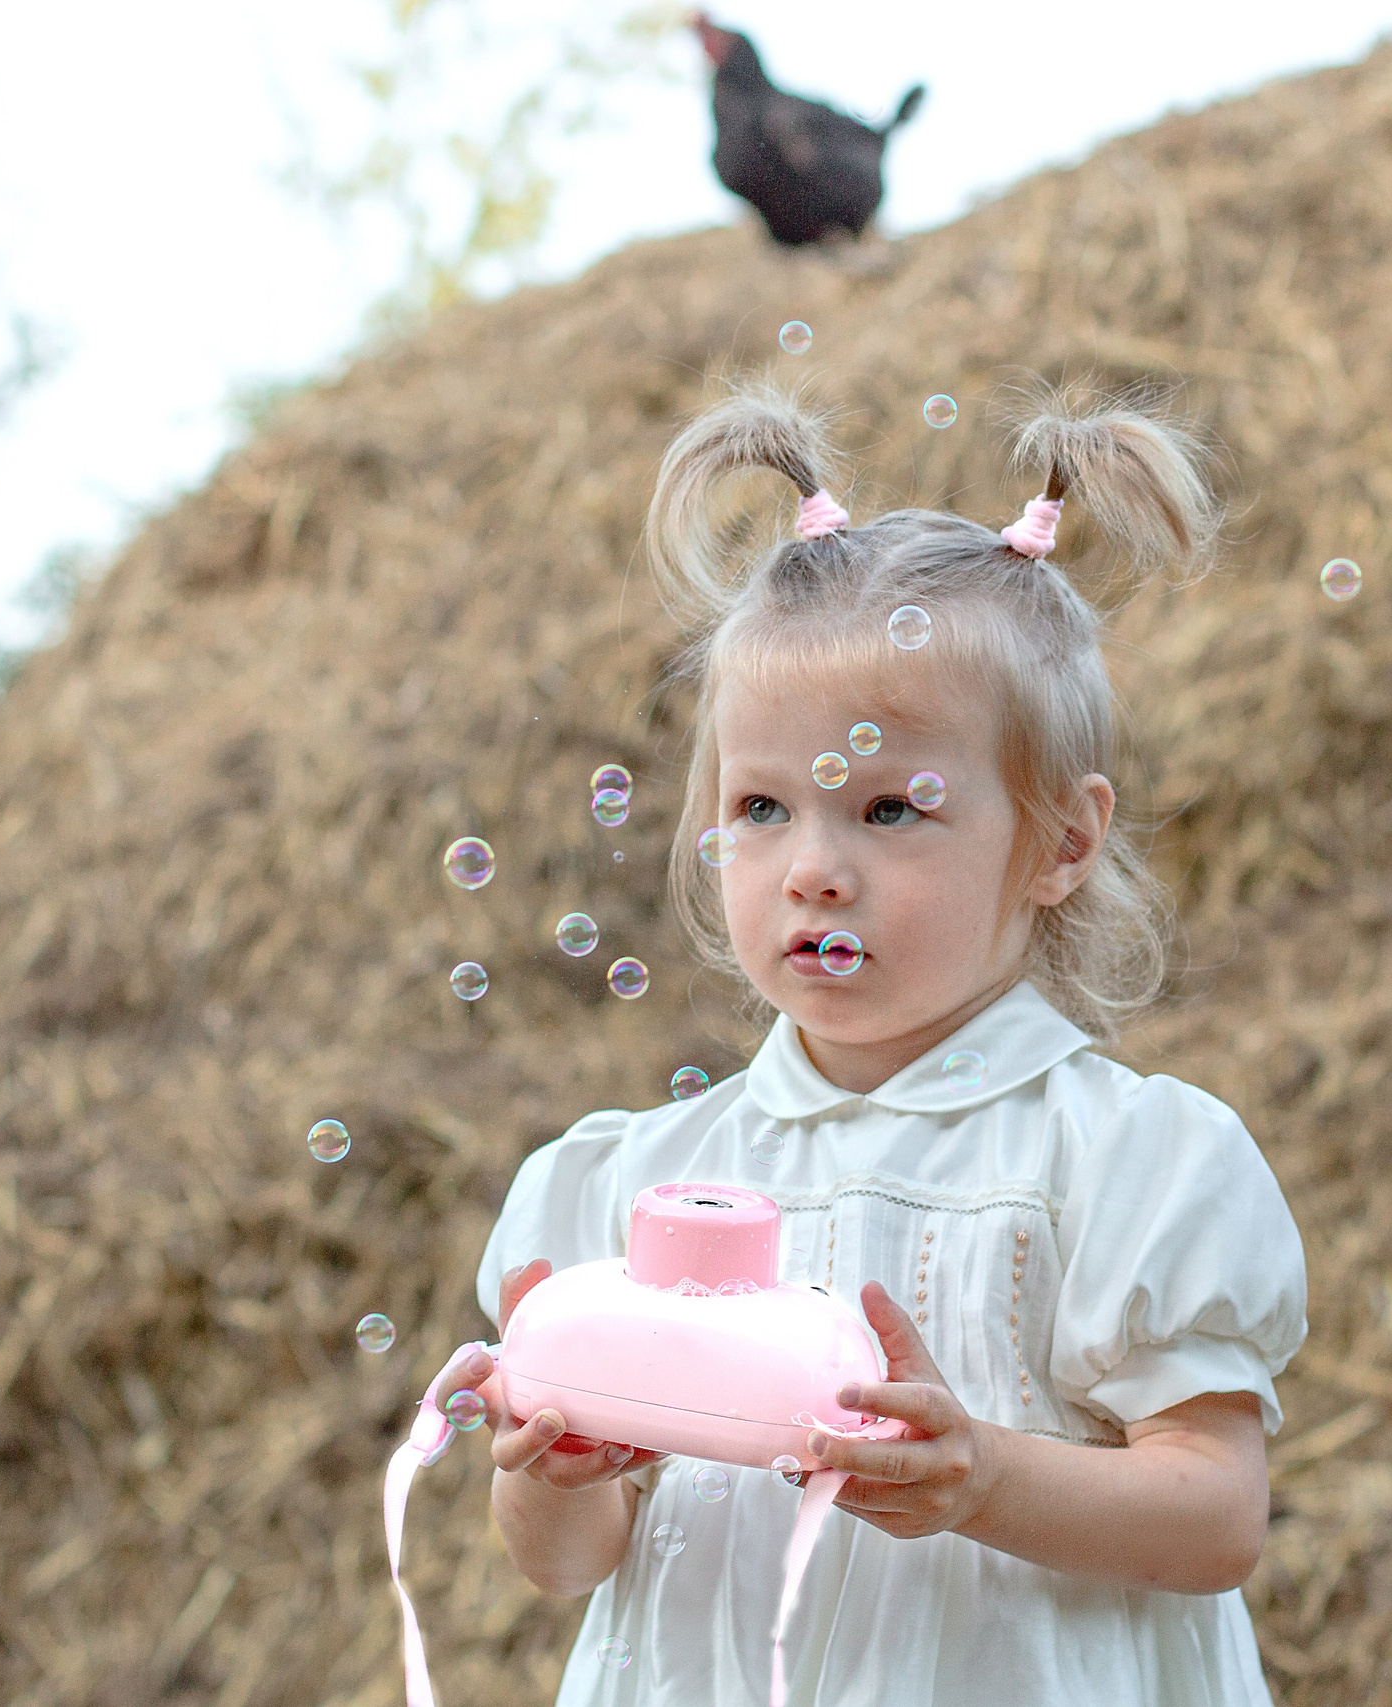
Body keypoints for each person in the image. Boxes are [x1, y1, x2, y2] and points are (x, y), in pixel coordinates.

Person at [438, 383, 1309, 1705]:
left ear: (1061, 843)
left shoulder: (1126, 1160)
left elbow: (1217, 1519)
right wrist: (552, 1482)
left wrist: (985, 1479)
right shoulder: (635, 1182)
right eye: (764, 807)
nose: (815, 870)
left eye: (894, 809)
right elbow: (567, 1569)